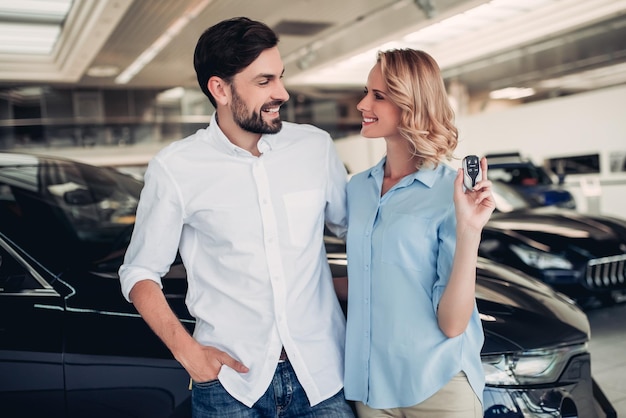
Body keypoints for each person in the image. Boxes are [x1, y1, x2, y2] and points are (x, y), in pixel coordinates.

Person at [118, 17, 354, 418]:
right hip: (230, 385)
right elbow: (140, 272)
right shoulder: (176, 167)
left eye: (280, 77)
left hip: (322, 376)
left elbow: (358, 231)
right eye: (264, 82)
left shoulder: (314, 147)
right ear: (220, 89)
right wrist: (187, 352)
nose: (282, 92)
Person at [343, 48, 495, 417]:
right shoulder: (357, 189)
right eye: (367, 92)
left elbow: (453, 323)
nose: (363, 103)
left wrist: (469, 230)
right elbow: (371, 276)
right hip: (370, 388)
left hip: (438, 386)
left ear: (411, 105)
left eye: (378, 96)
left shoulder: (452, 192)